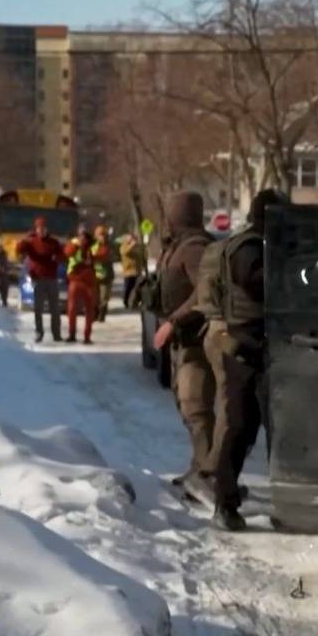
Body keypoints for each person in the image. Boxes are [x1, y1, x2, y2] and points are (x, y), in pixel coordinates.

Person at [196, 189, 284, 531]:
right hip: (245, 348)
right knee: (239, 427)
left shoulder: (264, 243)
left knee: (278, 429)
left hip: (269, 348)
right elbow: (256, 282)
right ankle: (225, 501)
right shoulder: (249, 247)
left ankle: (286, 500)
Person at [155, 192, 217, 498]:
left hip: (197, 338)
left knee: (197, 406)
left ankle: (210, 474)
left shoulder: (195, 248)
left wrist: (174, 321)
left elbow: (205, 292)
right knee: (186, 404)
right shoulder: (176, 247)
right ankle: (199, 466)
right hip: (183, 340)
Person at [17, 216, 65, 343]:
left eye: (44, 228)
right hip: (38, 279)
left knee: (55, 309)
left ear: (47, 229)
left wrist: (57, 258)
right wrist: (24, 240)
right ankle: (39, 332)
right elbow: (19, 250)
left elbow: (62, 255)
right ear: (36, 229)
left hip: (52, 278)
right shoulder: (31, 242)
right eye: (39, 228)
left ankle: (56, 334)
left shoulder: (54, 242)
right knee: (38, 309)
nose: (42, 231)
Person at [63, 227, 99, 344]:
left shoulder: (93, 246)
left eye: (84, 236)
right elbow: (68, 252)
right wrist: (76, 246)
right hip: (75, 279)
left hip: (89, 281)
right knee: (72, 309)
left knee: (90, 310)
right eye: (80, 236)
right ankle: (72, 334)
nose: (81, 239)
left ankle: (87, 336)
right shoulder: (73, 245)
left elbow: (102, 253)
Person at [119, 231, 147, 309]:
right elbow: (124, 252)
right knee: (128, 288)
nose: (131, 239)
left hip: (137, 271)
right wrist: (131, 245)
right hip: (128, 271)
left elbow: (142, 257)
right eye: (130, 238)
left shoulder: (137, 247)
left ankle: (135, 302)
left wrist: (144, 265)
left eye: (133, 238)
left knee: (137, 288)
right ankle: (126, 301)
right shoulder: (124, 246)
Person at [92, 225, 114, 322]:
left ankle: (102, 315)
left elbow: (104, 255)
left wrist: (95, 257)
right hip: (95, 275)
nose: (102, 237)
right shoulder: (93, 245)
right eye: (100, 235)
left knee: (104, 297)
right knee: (95, 296)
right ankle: (94, 314)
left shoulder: (109, 246)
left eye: (103, 235)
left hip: (106, 276)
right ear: (96, 236)